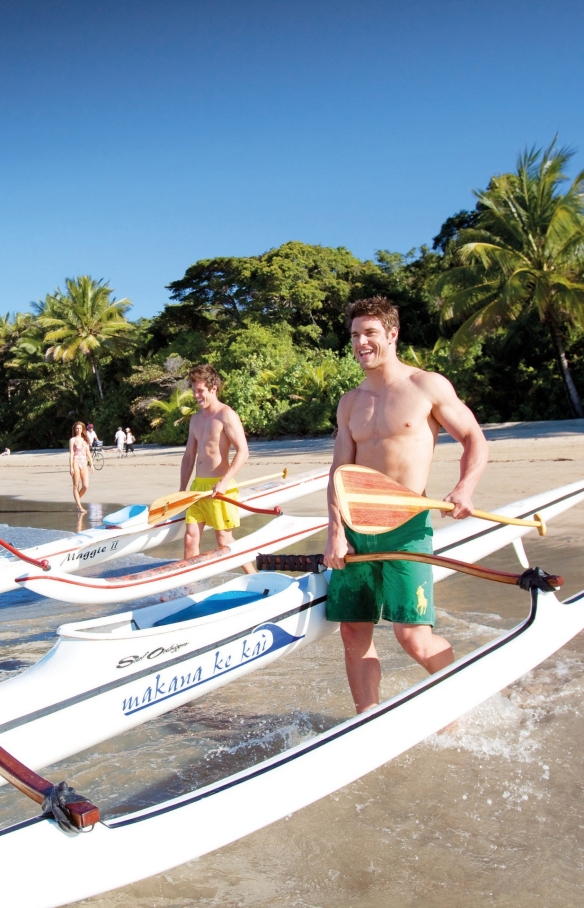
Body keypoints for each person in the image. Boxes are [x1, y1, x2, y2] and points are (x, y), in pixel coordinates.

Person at [323, 296, 489, 714]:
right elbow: (339, 474)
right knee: (353, 633)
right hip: (357, 527)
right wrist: (336, 533)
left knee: (412, 636)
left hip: (407, 525)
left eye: (370, 333)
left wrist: (464, 488)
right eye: (355, 335)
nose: (360, 342)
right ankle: (367, 718)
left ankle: (458, 707)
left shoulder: (426, 386)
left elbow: (474, 439)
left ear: (392, 334)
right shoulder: (350, 402)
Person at [179, 363, 255, 573]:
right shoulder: (195, 420)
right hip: (198, 488)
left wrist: (223, 482)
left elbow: (243, 451)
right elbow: (188, 457)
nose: (196, 395)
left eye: (200, 391)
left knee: (224, 541)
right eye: (193, 391)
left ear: (213, 388)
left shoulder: (226, 414)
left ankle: (255, 577)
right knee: (190, 539)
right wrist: (182, 489)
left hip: (221, 488)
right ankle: (188, 587)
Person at [69, 421, 94, 513]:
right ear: (74, 429)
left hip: (84, 463)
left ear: (82, 429)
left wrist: (91, 464)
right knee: (76, 485)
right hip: (75, 462)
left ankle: (77, 500)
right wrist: (71, 467)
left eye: (80, 428)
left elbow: (88, 453)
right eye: (76, 428)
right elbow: (71, 454)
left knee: (85, 486)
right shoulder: (72, 440)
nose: (78, 430)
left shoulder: (85, 440)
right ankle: (79, 506)